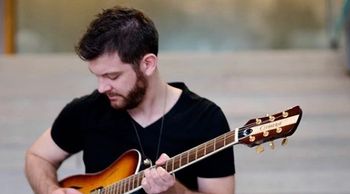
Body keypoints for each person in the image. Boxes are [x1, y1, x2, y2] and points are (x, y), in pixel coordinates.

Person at [24, 6, 235, 194]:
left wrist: (174, 192)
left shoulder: (205, 118)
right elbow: (37, 157)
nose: (102, 87)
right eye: (97, 75)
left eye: (112, 76)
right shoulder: (86, 111)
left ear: (148, 64)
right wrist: (51, 190)